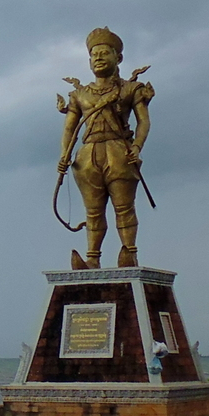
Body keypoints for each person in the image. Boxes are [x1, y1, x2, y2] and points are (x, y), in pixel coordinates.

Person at [57, 26, 155, 269]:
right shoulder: (79, 95)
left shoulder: (130, 89)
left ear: (117, 57)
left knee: (124, 207)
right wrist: (64, 154)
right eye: (94, 55)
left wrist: (137, 146)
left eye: (104, 53)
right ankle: (92, 258)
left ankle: (129, 253)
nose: (98, 58)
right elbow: (69, 128)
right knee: (93, 211)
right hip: (87, 154)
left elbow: (143, 121)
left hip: (119, 150)